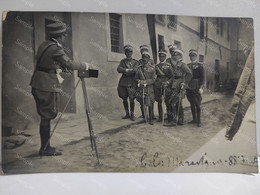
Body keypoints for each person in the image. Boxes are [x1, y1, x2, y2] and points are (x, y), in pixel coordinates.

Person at [30, 22, 89, 156]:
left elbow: (46, 63)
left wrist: (58, 68)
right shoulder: (56, 48)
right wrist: (84, 65)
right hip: (46, 85)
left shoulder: (43, 45)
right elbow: (70, 63)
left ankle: (46, 147)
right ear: (60, 36)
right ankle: (45, 149)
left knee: (46, 116)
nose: (65, 37)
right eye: (64, 35)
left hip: (38, 83)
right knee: (46, 117)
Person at [165, 49, 192, 126]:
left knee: (174, 103)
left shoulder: (182, 64)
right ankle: (180, 120)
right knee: (176, 103)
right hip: (174, 85)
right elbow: (174, 76)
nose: (174, 56)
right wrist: (168, 82)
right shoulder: (176, 65)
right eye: (173, 55)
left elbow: (189, 73)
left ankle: (175, 121)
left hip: (180, 85)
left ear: (180, 56)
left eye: (176, 55)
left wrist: (185, 82)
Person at [117, 45, 139, 121]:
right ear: (125, 53)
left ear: (132, 53)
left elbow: (135, 70)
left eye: (130, 52)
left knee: (132, 98)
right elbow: (119, 69)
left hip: (132, 82)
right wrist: (127, 70)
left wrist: (125, 70)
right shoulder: (122, 61)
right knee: (124, 98)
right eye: (127, 52)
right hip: (123, 82)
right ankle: (127, 113)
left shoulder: (135, 62)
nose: (128, 53)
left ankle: (132, 115)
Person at [135, 51, 156, 125]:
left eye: (146, 58)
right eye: (143, 57)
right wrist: (139, 81)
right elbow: (136, 78)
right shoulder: (139, 68)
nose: (144, 59)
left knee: (150, 104)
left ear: (149, 59)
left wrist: (146, 82)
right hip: (141, 89)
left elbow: (153, 79)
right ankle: (144, 118)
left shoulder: (152, 68)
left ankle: (151, 119)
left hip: (149, 89)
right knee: (142, 103)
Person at [186, 49, 204, 127]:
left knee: (197, 104)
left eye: (193, 56)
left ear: (196, 56)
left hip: (196, 87)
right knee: (191, 103)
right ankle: (194, 119)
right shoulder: (187, 65)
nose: (192, 57)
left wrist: (201, 87)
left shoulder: (200, 66)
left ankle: (199, 121)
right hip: (188, 87)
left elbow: (202, 78)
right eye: (190, 56)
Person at [154, 49, 172, 122]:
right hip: (158, 84)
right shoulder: (156, 66)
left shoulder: (169, 66)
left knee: (167, 101)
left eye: (163, 56)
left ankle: (169, 117)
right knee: (159, 101)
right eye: (160, 56)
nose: (161, 57)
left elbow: (172, 76)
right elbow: (153, 75)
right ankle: (160, 117)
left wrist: (168, 82)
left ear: (165, 57)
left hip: (166, 84)